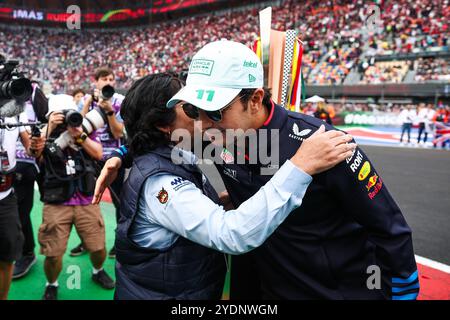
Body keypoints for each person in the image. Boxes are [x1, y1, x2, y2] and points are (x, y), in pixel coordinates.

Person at [100, 73, 355, 299]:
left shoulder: (184, 149)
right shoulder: (161, 184)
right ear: (164, 125)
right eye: (191, 107)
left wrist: (123, 153)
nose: (204, 112)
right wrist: (299, 166)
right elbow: (231, 234)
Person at [37, 94, 115, 300]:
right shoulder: (45, 135)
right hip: (56, 201)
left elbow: (98, 153)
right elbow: (35, 152)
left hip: (86, 199)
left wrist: (79, 135)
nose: (64, 118)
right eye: (58, 115)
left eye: (66, 114)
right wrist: (50, 127)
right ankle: (51, 283)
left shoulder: (84, 129)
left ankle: (98, 271)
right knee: (53, 254)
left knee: (98, 247)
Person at [70, 67, 125, 258]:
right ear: (96, 82)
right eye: (104, 79)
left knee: (120, 204)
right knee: (87, 204)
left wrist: (109, 112)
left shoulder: (119, 101)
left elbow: (119, 133)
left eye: (111, 78)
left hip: (114, 159)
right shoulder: (87, 99)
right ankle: (86, 242)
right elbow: (77, 126)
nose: (108, 82)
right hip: (90, 159)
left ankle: (120, 243)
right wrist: (89, 103)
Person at [0, 100, 44, 299]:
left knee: (7, 254)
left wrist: (36, 146)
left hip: (6, 193)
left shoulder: (16, 108)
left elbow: (30, 149)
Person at [12, 82, 48, 279]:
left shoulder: (32, 92)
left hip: (24, 164)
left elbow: (44, 120)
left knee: (19, 212)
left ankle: (26, 253)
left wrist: (37, 145)